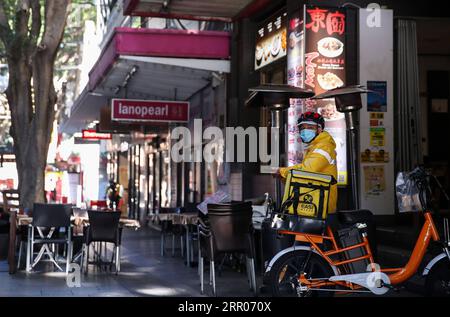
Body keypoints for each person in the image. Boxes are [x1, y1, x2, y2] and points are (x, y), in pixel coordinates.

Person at [276, 111, 339, 228]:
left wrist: (282, 171)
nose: (305, 130)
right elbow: (305, 177)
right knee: (309, 244)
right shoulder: (315, 147)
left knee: (312, 243)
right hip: (314, 204)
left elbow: (308, 169)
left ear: (320, 129)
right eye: (302, 128)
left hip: (322, 206)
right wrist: (283, 177)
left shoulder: (324, 146)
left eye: (310, 127)